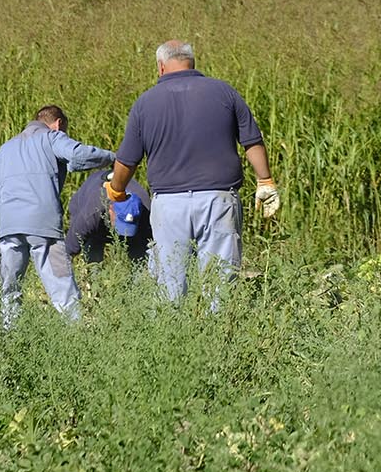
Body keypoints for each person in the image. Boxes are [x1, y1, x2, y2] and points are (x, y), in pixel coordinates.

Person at [106, 40, 280, 304]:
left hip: (169, 205)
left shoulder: (145, 103)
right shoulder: (224, 92)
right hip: (219, 200)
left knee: (170, 285)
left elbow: (127, 160)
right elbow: (252, 141)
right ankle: (220, 340)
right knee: (221, 285)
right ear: (192, 62)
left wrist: (116, 189)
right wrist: (265, 180)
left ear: (161, 67)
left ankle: (171, 341)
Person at [0, 105, 115, 327]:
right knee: (62, 290)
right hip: (44, 228)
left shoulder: (5, 149)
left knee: (9, 290)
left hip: (8, 228)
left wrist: (9, 212)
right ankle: (75, 339)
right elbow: (77, 154)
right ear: (58, 124)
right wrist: (114, 157)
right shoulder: (52, 138)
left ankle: (10, 339)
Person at [65, 167, 153, 265]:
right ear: (111, 209)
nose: (124, 234)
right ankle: (95, 276)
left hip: (135, 222)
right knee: (93, 253)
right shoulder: (90, 214)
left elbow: (149, 245)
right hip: (92, 212)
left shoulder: (146, 209)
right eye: (119, 223)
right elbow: (68, 250)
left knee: (139, 256)